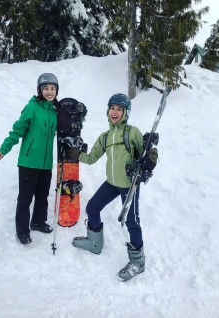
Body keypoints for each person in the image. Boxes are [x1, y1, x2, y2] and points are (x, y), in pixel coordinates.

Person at [63, 93, 158, 282]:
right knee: (92, 208)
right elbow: (90, 158)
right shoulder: (105, 137)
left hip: (129, 185)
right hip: (112, 183)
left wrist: (151, 153)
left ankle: (138, 262)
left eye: (119, 109)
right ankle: (95, 243)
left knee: (131, 222)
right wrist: (73, 153)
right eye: (112, 108)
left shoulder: (132, 132)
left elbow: (145, 155)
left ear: (126, 113)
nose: (115, 112)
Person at [0, 73, 59, 245]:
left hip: (46, 163)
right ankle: (22, 231)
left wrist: (80, 114)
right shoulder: (32, 108)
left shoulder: (55, 111)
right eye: (46, 88)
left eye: (53, 88)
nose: (49, 91)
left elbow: (70, 123)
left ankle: (38, 222)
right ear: (39, 90)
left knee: (42, 195)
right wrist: (5, 147)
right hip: (29, 162)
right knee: (25, 198)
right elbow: (18, 129)